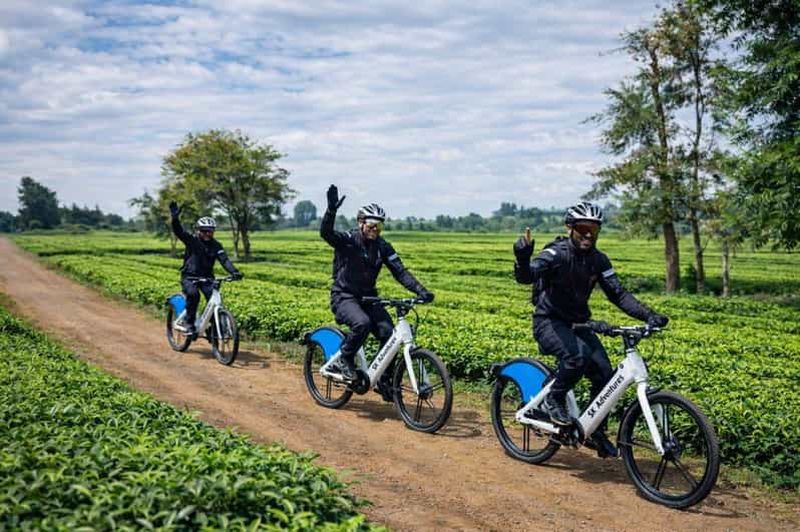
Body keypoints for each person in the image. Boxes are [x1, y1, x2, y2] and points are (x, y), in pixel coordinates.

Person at [513, 201, 668, 458]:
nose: (588, 234)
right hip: (549, 322)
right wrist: (522, 257)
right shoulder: (556, 254)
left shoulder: (599, 260)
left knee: (605, 373)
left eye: (593, 229)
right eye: (583, 228)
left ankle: (595, 431)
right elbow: (528, 276)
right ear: (570, 227)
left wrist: (649, 315)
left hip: (579, 324)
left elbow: (618, 294)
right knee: (577, 357)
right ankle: (555, 398)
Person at [320, 185, 434, 394]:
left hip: (369, 298)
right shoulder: (348, 240)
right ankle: (344, 359)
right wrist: (331, 211)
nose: (375, 229)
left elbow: (400, 272)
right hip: (344, 296)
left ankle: (384, 381)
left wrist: (421, 291)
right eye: (371, 224)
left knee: (389, 333)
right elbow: (326, 234)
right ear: (361, 223)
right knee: (361, 323)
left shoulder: (383, 246)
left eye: (379, 226)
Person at [169, 201, 242, 336]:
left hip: (207, 278)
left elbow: (224, 260)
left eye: (210, 231)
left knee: (214, 299)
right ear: (198, 231)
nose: (207, 234)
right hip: (189, 277)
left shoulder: (216, 245)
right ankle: (189, 324)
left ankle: (213, 328)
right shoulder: (192, 240)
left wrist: (234, 271)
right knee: (193, 295)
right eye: (204, 231)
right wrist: (175, 219)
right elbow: (179, 232)